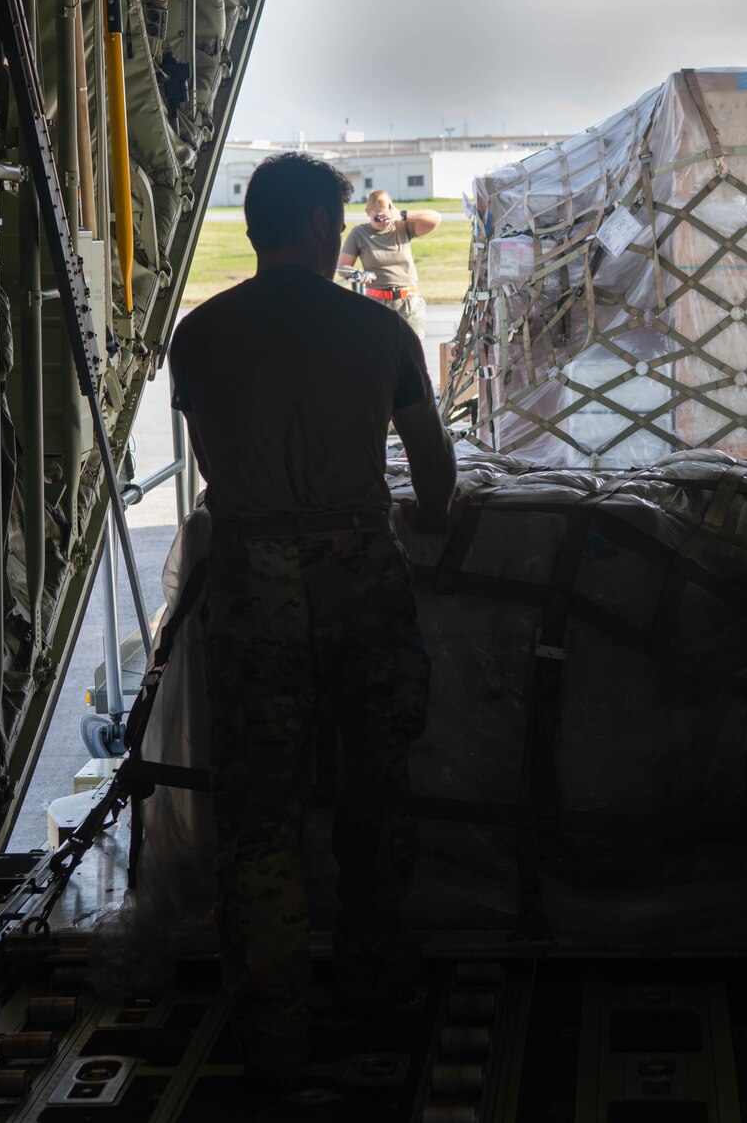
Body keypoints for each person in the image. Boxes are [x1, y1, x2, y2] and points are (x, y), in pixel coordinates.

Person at [167, 152, 457, 1082]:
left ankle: (273, 1028)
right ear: (325, 231)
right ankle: (376, 995)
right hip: (360, 573)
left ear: (256, 230)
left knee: (260, 812)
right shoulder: (377, 333)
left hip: (250, 580)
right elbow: (436, 473)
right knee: (374, 794)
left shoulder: (198, 337)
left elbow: (213, 458)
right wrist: (420, 515)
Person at [339, 188, 442, 334]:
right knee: (379, 351)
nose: (383, 221)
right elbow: (342, 268)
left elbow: (436, 218)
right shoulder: (359, 234)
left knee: (412, 352)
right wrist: (356, 274)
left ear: (391, 209)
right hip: (376, 302)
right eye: (378, 218)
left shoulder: (401, 227)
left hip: (407, 302)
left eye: (386, 215)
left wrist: (403, 215)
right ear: (368, 213)